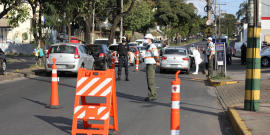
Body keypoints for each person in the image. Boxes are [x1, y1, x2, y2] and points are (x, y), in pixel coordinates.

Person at [144, 33, 160, 101]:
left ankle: (153, 95)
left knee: (151, 80)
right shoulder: (148, 45)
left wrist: (157, 62)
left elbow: (156, 55)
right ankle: (150, 94)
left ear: (150, 39)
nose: (145, 40)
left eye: (146, 38)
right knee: (149, 80)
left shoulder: (152, 46)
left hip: (151, 64)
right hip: (148, 64)